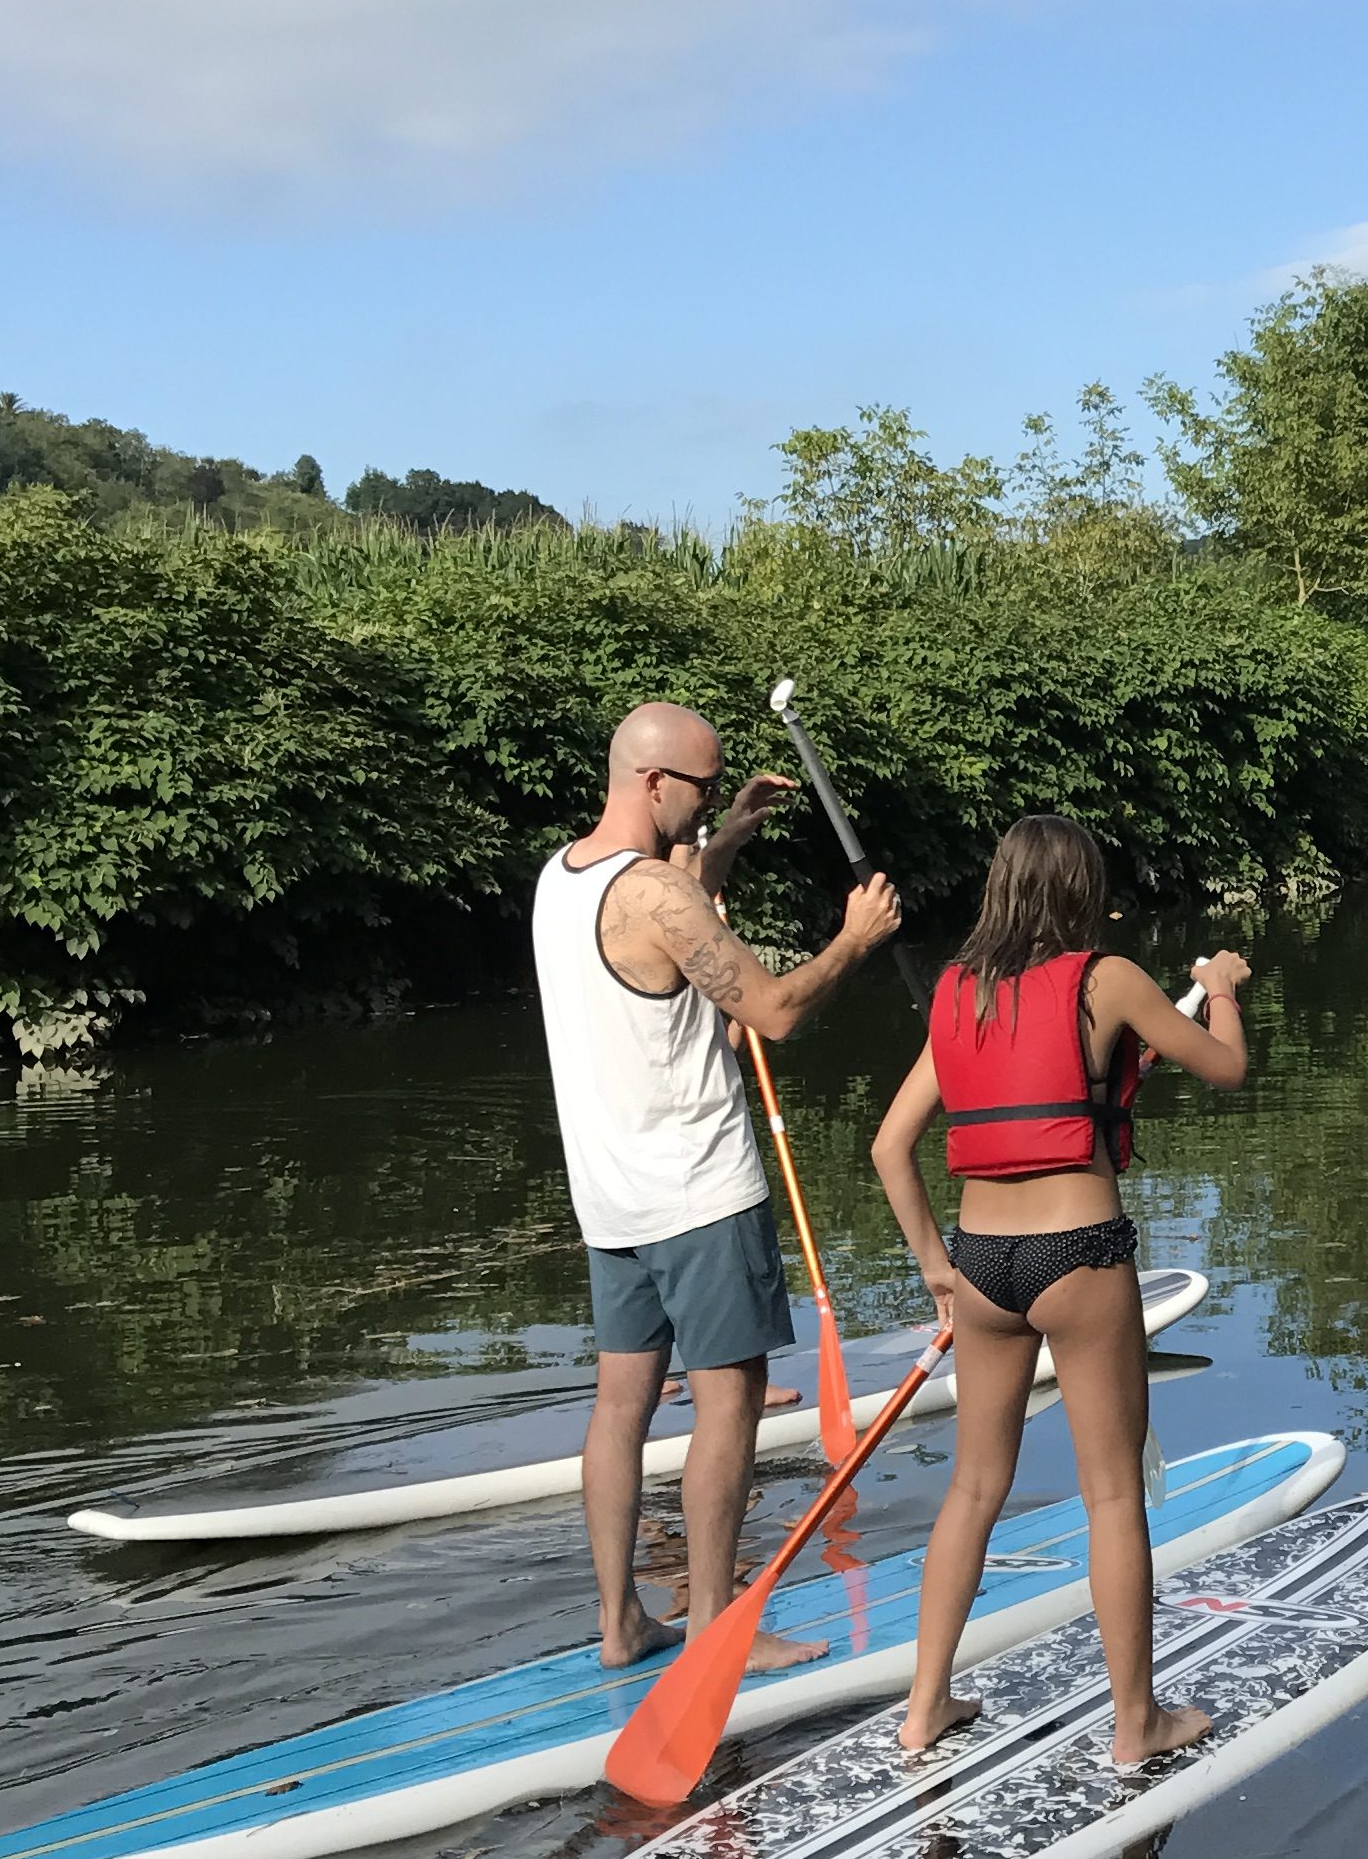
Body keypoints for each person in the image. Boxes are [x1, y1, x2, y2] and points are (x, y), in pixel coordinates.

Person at [869, 812, 1247, 1767]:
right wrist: (1219, 987)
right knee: (1113, 1495)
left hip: (981, 1266)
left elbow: (889, 1147)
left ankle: (924, 1708)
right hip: (1079, 1255)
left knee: (973, 1487)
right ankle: (1136, 1724)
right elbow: (1228, 1069)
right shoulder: (1106, 979)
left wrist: (936, 1269)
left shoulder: (957, 992)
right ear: (1083, 892)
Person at [533, 699, 901, 1670]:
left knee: (620, 1409)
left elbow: (664, 925)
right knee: (729, 1405)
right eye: (702, 789)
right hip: (700, 1192)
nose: (705, 803)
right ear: (655, 781)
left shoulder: (562, 878)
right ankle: (715, 1629)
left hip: (612, 1200)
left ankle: (621, 1624)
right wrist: (855, 939)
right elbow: (772, 1010)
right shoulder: (657, 890)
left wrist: (727, 836)